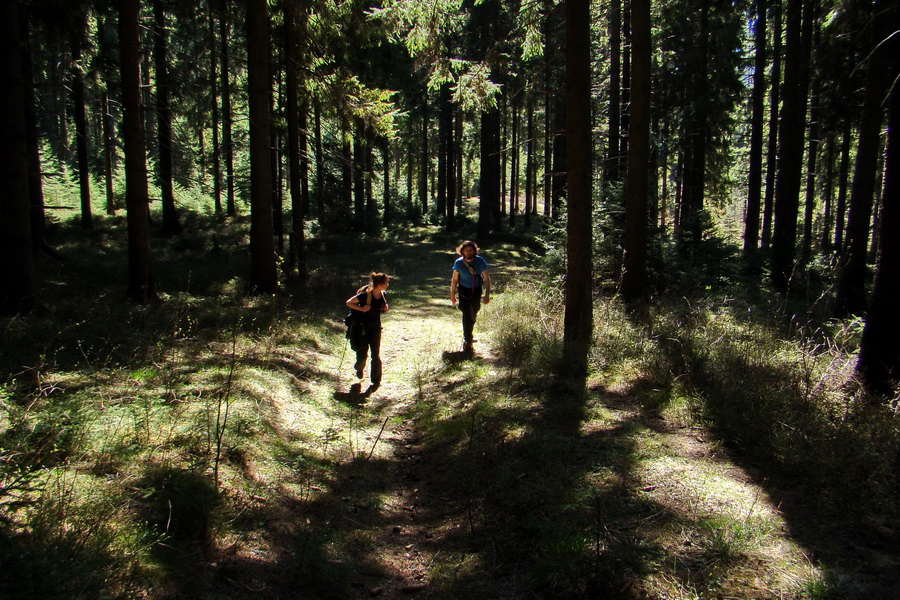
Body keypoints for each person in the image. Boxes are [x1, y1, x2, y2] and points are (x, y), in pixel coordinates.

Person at [345, 272, 390, 388]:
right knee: (362, 352)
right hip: (362, 329)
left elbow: (381, 308)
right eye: (386, 283)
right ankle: (360, 367)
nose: (387, 284)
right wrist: (361, 308)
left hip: (376, 329)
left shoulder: (382, 295)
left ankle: (376, 380)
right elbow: (349, 302)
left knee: (376, 354)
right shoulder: (365, 295)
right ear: (380, 284)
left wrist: (385, 308)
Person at [450, 241, 490, 354]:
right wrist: (452, 294)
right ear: (462, 251)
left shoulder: (480, 261)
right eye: (466, 250)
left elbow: (487, 278)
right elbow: (454, 280)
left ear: (474, 251)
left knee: (473, 314)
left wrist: (487, 295)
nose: (468, 252)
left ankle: (469, 335)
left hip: (476, 291)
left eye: (471, 250)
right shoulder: (458, 263)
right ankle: (468, 341)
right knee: (467, 314)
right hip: (463, 291)